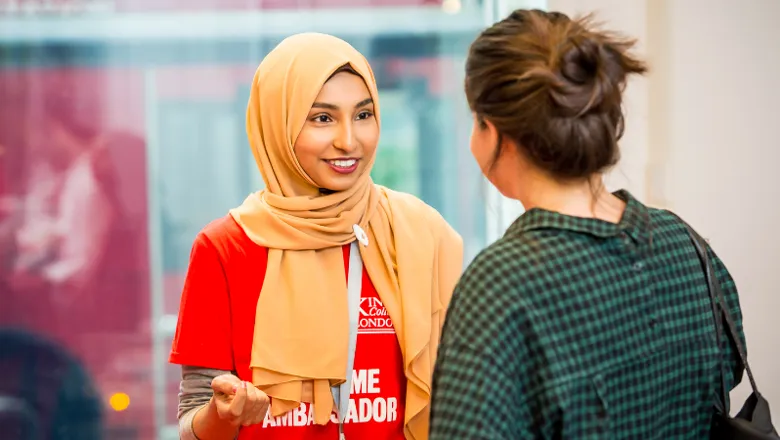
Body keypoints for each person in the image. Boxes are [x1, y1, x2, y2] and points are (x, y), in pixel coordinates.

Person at [429, 9, 745, 439]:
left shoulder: (503, 282)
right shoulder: (684, 243)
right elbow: (725, 373)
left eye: (474, 120)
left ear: (497, 130)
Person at [169, 32, 463, 440]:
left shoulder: (419, 234)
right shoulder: (226, 247)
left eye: (363, 115)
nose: (348, 140)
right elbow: (192, 425)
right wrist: (227, 414)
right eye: (322, 118)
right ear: (278, 124)